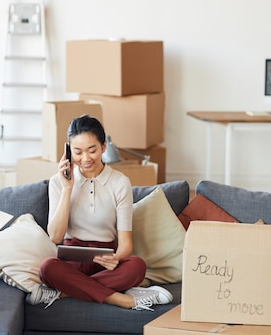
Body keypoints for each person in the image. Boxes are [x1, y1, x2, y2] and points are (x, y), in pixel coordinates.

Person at [26, 114, 173, 310]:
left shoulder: (120, 182)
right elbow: (55, 236)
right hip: (72, 261)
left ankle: (65, 292)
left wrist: (116, 258)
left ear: (104, 146)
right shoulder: (57, 182)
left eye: (92, 150)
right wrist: (67, 188)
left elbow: (126, 243)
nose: (85, 158)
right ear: (69, 152)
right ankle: (123, 299)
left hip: (106, 262)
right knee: (47, 268)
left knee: (136, 266)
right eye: (77, 152)